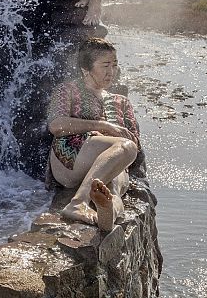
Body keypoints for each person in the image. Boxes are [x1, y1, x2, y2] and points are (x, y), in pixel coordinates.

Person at [46, 37, 140, 232]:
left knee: (113, 188)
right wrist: (101, 126)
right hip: (72, 158)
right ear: (86, 69)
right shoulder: (68, 90)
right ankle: (78, 203)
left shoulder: (121, 101)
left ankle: (107, 214)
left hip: (111, 162)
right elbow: (56, 125)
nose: (111, 72)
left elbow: (135, 140)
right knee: (125, 147)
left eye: (115, 65)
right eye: (105, 65)